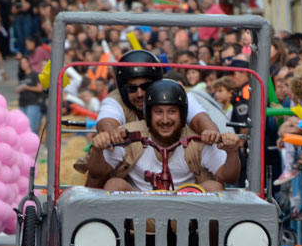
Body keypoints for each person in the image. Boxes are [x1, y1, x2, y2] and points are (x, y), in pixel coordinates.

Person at [88, 79, 240, 192]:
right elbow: (97, 173)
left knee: (214, 187)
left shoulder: (198, 139)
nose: (165, 120)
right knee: (113, 185)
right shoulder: (128, 135)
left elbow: (229, 178)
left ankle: (209, 236)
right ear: (148, 115)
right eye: (158, 112)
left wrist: (232, 153)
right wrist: (97, 150)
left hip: (187, 212)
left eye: (172, 112)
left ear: (183, 114)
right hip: (139, 211)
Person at [16, 56, 44, 135]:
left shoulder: (34, 74)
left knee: (30, 126)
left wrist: (27, 87)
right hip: (22, 103)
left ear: (29, 63)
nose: (23, 65)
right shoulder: (21, 76)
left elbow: (40, 88)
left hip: (33, 103)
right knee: (23, 126)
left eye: (25, 62)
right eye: (21, 63)